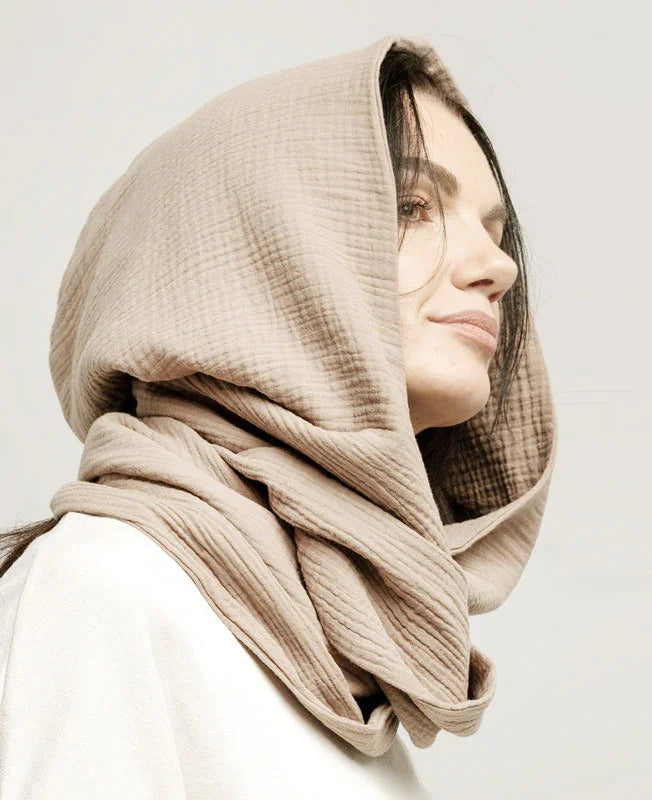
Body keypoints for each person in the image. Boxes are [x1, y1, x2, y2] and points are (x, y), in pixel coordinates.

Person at [0, 34, 557, 797]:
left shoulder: (345, 647)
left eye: (494, 231)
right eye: (411, 207)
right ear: (254, 250)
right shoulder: (108, 586)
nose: (499, 267)